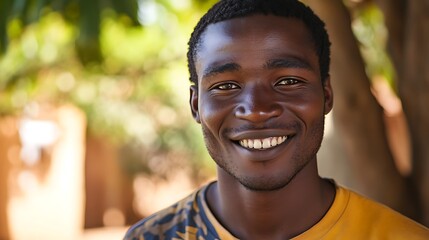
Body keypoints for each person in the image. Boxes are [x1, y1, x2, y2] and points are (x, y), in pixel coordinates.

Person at [124, 0, 429, 239]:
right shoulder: (151, 237)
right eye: (226, 86)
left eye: (288, 81)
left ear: (326, 95)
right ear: (195, 105)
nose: (256, 109)